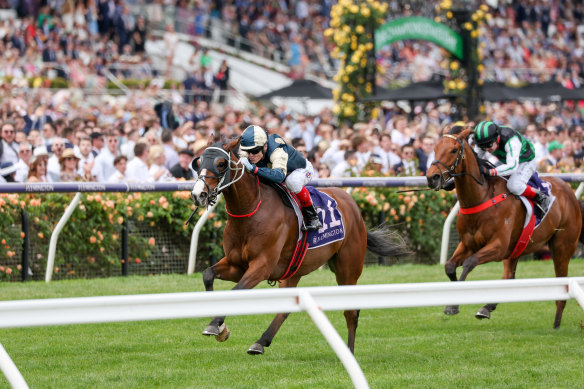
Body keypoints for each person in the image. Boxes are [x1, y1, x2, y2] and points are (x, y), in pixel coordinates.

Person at [238, 125, 322, 231]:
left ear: (265, 146)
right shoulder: (252, 148)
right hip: (280, 171)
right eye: (247, 151)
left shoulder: (276, 149)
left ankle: (313, 216)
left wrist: (254, 168)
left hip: (301, 169)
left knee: (292, 181)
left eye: (254, 151)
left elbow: (279, 176)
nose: (251, 155)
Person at [473, 121, 550, 213]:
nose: (486, 149)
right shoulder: (484, 141)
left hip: (526, 160)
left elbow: (512, 166)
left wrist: (490, 172)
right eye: (482, 146)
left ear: (497, 137)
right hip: (507, 160)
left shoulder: (511, 140)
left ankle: (541, 197)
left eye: (489, 145)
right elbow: (474, 160)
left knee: (513, 186)